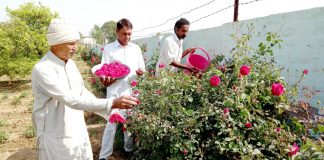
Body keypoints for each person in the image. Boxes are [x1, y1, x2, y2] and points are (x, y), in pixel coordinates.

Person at [31, 19, 138, 160]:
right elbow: (70, 99)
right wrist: (111, 103)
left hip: (76, 128)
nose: (75, 47)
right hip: (55, 133)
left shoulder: (70, 65)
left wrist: (110, 111)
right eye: (71, 43)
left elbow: (81, 92)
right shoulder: (43, 69)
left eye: (76, 42)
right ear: (56, 43)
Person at [97, 18, 145, 160]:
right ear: (117, 32)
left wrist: (140, 72)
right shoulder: (109, 49)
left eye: (130, 34)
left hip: (131, 90)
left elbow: (141, 67)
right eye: (124, 34)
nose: (127, 37)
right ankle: (104, 156)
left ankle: (128, 150)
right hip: (115, 91)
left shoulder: (135, 49)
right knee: (111, 124)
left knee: (129, 122)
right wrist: (107, 78)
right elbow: (104, 70)